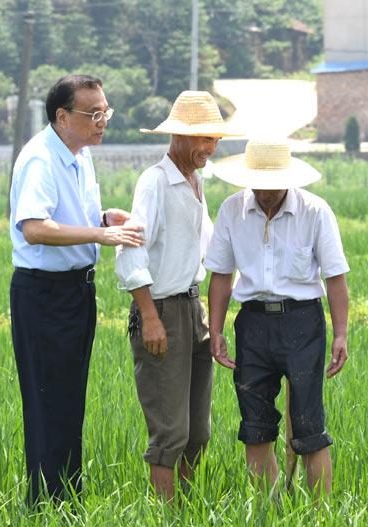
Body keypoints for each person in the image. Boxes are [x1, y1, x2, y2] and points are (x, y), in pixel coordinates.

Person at [10, 74, 144, 503]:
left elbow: (74, 215)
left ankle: (66, 498)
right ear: (62, 116)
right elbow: (34, 228)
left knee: (69, 401)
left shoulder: (79, 154)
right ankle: (47, 503)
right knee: (48, 402)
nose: (102, 120)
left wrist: (105, 219)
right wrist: (97, 236)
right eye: (93, 113)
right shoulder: (40, 159)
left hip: (76, 292)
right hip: (45, 294)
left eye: (106, 111)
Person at [205, 140, 350, 498]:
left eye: (273, 184)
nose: (266, 193)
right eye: (258, 184)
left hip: (303, 323)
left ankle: (321, 519)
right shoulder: (232, 210)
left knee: (309, 426)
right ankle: (267, 515)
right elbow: (221, 275)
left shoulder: (314, 211)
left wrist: (341, 335)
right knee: (255, 425)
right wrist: (216, 329)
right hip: (253, 324)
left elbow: (335, 278)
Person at [115, 91, 240, 501]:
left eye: (215, 141)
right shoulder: (155, 181)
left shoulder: (195, 183)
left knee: (198, 432)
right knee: (171, 431)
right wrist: (149, 316)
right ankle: (166, 523)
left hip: (193, 309)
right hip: (162, 310)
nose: (209, 149)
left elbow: (210, 246)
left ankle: (183, 510)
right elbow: (130, 246)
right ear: (179, 137)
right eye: (202, 139)